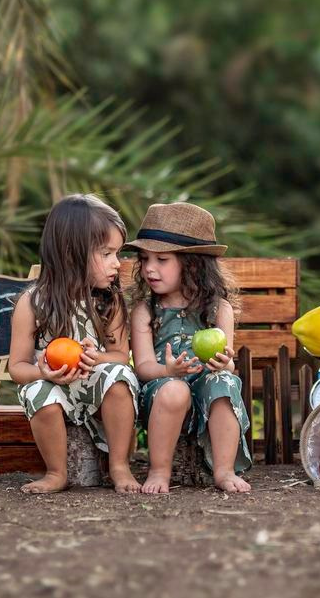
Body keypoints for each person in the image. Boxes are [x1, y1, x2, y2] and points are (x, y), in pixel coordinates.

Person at [8, 194, 141, 494]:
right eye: (106, 253)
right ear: (71, 253)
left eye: (117, 253)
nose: (116, 263)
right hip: (55, 386)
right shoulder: (33, 303)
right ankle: (56, 472)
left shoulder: (110, 301)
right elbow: (16, 368)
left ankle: (119, 465)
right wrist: (42, 374)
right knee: (35, 391)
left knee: (121, 379)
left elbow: (121, 355)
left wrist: (100, 359)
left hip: (93, 385)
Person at [126, 202, 252, 494]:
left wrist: (224, 363)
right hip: (163, 395)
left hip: (206, 388)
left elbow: (228, 361)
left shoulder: (218, 309)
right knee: (175, 388)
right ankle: (159, 471)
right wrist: (167, 370)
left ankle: (224, 470)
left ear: (193, 263)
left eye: (161, 259)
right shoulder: (145, 312)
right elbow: (143, 367)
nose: (149, 268)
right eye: (144, 259)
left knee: (224, 380)